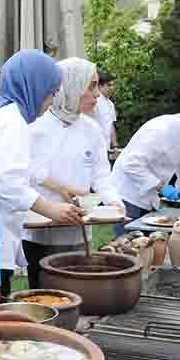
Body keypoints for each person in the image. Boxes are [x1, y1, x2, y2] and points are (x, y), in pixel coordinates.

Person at [0, 49, 81, 298]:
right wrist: (51, 209)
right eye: (50, 93)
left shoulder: (1, 113)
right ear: (34, 87)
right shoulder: (13, 122)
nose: (51, 101)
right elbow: (8, 183)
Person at [23, 58, 125, 289]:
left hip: (80, 230)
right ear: (70, 86)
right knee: (45, 295)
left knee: (78, 291)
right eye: (91, 86)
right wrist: (60, 187)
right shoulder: (34, 127)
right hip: (41, 228)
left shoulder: (92, 129)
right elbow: (22, 172)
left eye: (98, 86)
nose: (97, 94)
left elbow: (101, 175)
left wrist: (114, 201)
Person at [93, 71, 120, 151]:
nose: (112, 88)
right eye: (109, 85)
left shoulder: (110, 104)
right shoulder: (94, 101)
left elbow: (111, 125)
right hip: (94, 147)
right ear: (100, 86)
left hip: (106, 148)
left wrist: (115, 146)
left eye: (113, 85)